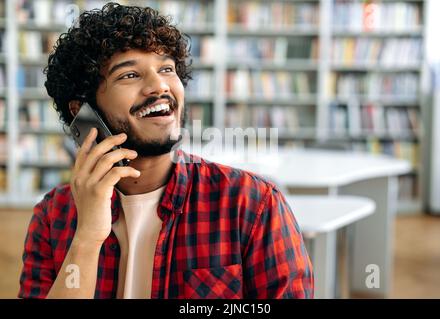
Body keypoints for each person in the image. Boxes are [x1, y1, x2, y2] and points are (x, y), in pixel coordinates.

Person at [18, 2, 314, 299]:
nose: (159, 86)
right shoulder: (53, 215)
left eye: (167, 69)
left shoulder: (253, 204)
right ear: (82, 112)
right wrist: (87, 238)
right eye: (129, 75)